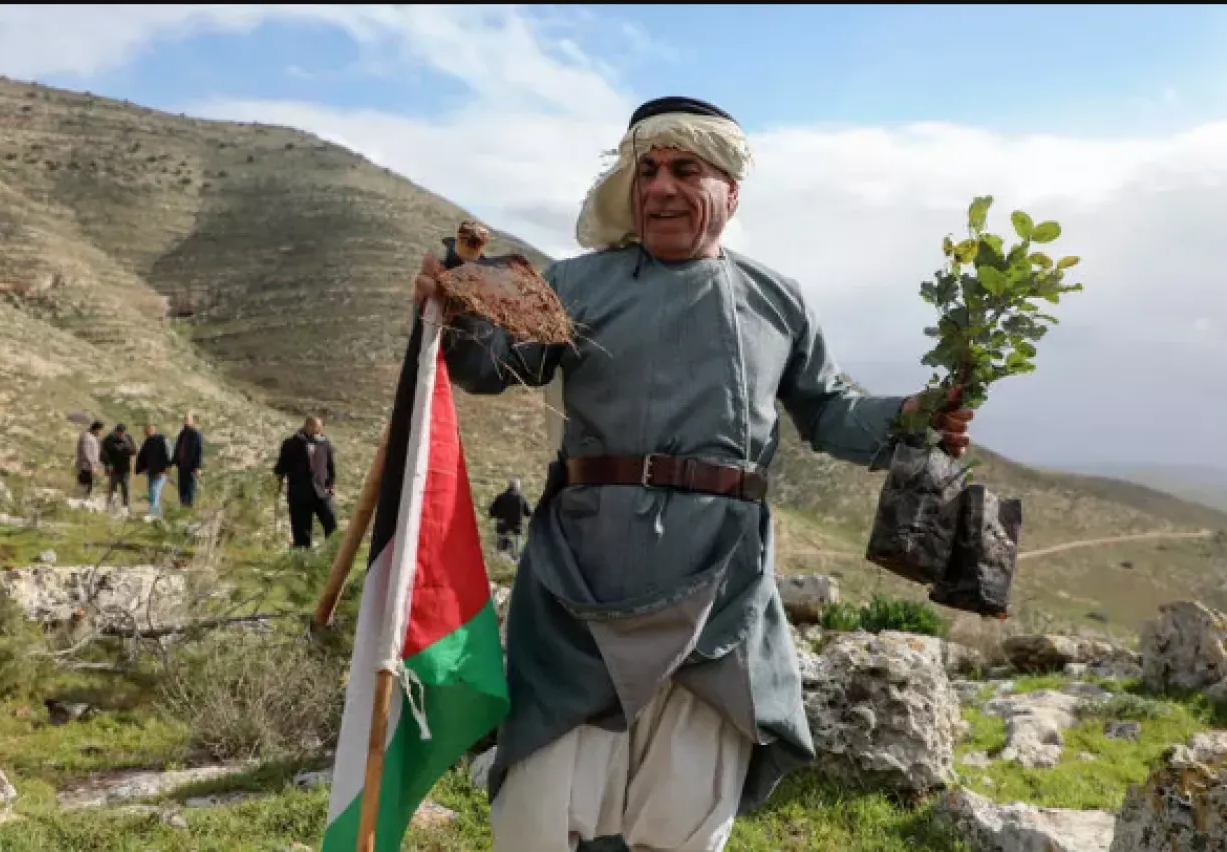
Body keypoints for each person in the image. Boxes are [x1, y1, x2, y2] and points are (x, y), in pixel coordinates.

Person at [412, 95, 975, 851]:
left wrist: (913, 413)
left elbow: (830, 412)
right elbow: (491, 365)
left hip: (723, 578)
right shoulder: (575, 284)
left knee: (682, 811)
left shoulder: (778, 299)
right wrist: (453, 307)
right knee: (548, 805)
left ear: (731, 191)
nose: (660, 188)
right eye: (647, 171)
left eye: (686, 169)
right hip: (586, 571)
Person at [273, 416, 338, 549]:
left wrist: (330, 486)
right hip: (299, 494)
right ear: (307, 426)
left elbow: (330, 467)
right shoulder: (291, 443)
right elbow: (282, 465)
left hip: (321, 493)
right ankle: (303, 560)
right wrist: (278, 476)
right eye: (315, 427)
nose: (318, 430)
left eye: (320, 427)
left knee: (331, 525)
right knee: (301, 531)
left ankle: (334, 554)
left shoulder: (325, 444)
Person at [487, 478, 532, 562]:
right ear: (517, 487)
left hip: (502, 525)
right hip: (516, 526)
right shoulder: (521, 498)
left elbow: (492, 511)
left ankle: (499, 554)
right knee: (518, 540)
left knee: (501, 538)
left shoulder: (500, 497)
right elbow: (528, 512)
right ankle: (516, 557)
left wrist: (494, 516)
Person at [135, 423, 173, 517]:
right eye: (145, 432)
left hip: (161, 472)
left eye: (147, 431)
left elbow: (169, 454)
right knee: (152, 493)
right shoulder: (148, 442)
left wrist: (164, 470)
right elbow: (142, 456)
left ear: (152, 430)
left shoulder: (162, 439)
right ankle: (156, 514)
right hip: (151, 472)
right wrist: (140, 469)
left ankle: (153, 515)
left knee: (154, 490)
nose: (146, 433)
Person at [99, 423, 138, 510]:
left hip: (125, 468)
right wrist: (107, 464)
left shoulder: (128, 438)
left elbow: (134, 451)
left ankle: (125, 507)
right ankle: (109, 506)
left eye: (123, 433)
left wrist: (127, 446)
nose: (121, 434)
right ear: (116, 431)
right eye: (119, 432)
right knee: (112, 488)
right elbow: (102, 453)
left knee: (125, 488)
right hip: (113, 468)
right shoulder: (109, 439)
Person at [171, 413, 204, 509]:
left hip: (191, 466)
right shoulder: (182, 434)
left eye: (187, 420)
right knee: (182, 487)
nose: (185, 421)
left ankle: (188, 508)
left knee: (190, 488)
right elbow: (177, 448)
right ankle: (182, 507)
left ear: (191, 421)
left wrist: (198, 467)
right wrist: (173, 462)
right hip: (181, 465)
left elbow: (199, 451)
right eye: (184, 419)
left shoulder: (196, 434)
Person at [75, 421, 104, 498]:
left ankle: (85, 499)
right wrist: (92, 465)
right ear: (96, 429)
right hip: (86, 466)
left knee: (89, 485)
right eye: (100, 430)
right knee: (85, 485)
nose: (100, 433)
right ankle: (81, 499)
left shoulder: (91, 437)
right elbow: (86, 453)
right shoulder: (87, 437)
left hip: (89, 466)